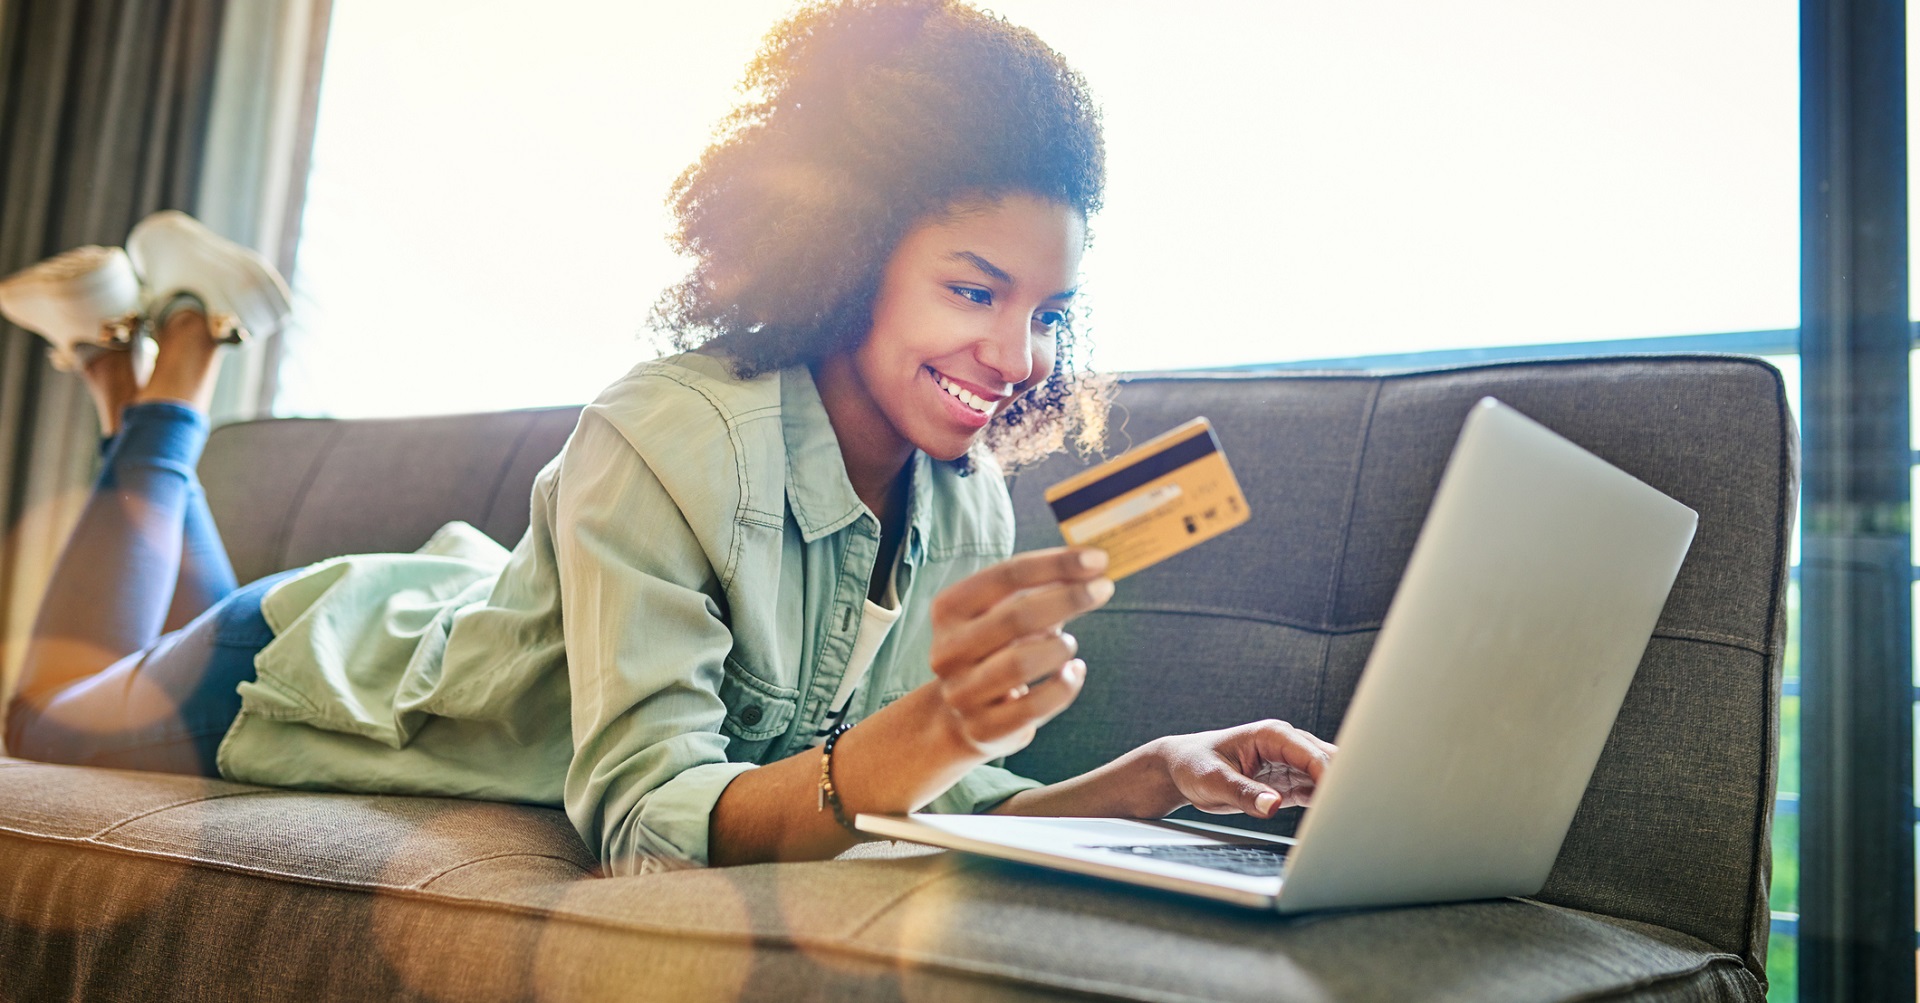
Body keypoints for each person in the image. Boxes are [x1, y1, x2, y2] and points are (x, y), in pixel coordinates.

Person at [0, 0, 1335, 873]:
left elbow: (909, 803)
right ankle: (175, 367)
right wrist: (932, 726)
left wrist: (1158, 775)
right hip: (302, 668)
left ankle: (125, 371)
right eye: (974, 291)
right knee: (37, 723)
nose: (1017, 355)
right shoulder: (666, 433)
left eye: (1049, 310)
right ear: (852, 250)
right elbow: (652, 820)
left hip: (405, 619)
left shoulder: (962, 497)